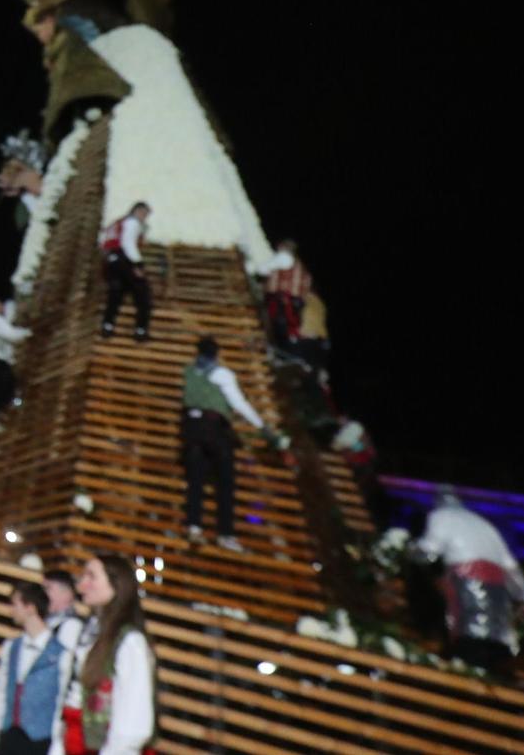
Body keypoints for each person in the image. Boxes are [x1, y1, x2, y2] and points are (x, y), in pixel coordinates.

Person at [411, 487, 524, 671]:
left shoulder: (440, 516)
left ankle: (467, 666)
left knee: (468, 628)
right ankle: (490, 669)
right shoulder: (485, 524)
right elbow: (510, 564)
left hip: (466, 577)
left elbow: (430, 548)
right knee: (495, 632)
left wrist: (411, 551)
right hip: (497, 585)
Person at [179, 336, 279, 552]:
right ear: (216, 353)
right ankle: (225, 534)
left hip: (191, 431)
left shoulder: (189, 372)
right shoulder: (221, 374)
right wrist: (263, 427)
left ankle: (194, 526)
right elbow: (238, 403)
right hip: (214, 431)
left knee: (196, 480)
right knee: (225, 483)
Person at [51, 555, 155, 755]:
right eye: (83, 577)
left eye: (92, 577)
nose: (82, 585)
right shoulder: (87, 632)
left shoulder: (130, 642)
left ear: (116, 584)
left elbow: (133, 723)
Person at [0, 584, 74, 755]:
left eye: (15, 605)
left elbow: (61, 700)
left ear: (30, 608)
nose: (11, 611)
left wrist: (57, 746)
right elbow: (1, 692)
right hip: (9, 736)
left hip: (40, 741)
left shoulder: (60, 653)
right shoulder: (12, 647)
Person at [98, 203, 153, 340]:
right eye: (143, 213)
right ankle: (141, 329)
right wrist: (138, 264)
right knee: (143, 293)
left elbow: (103, 241)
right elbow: (128, 243)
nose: (144, 217)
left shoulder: (117, 224)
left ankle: (107, 326)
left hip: (111, 261)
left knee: (116, 294)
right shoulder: (132, 222)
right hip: (124, 260)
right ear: (136, 211)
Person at [259, 239, 311, 348]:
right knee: (284, 325)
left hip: (285, 300)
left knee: (280, 325)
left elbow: (262, 270)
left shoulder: (283, 259)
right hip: (288, 299)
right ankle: (285, 344)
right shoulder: (297, 264)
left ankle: (283, 345)